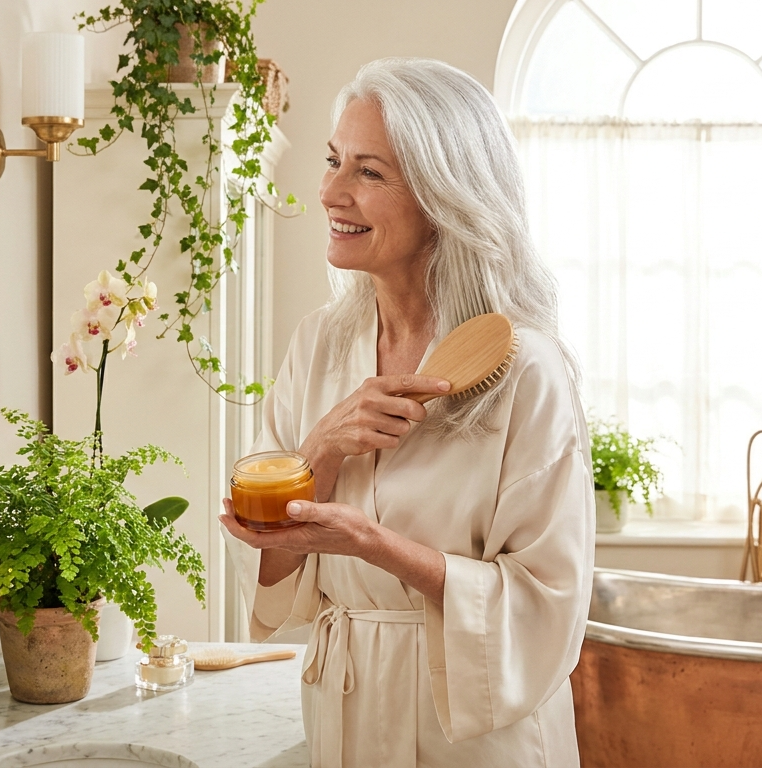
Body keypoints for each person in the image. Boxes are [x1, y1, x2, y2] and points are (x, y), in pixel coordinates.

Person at [220, 58, 594, 768]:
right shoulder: (320, 344)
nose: (331, 191)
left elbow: (547, 601)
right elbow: (268, 575)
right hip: (345, 710)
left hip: (475, 732)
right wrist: (320, 453)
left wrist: (375, 544)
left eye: (369, 172)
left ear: (445, 198)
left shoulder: (527, 369)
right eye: (334, 161)